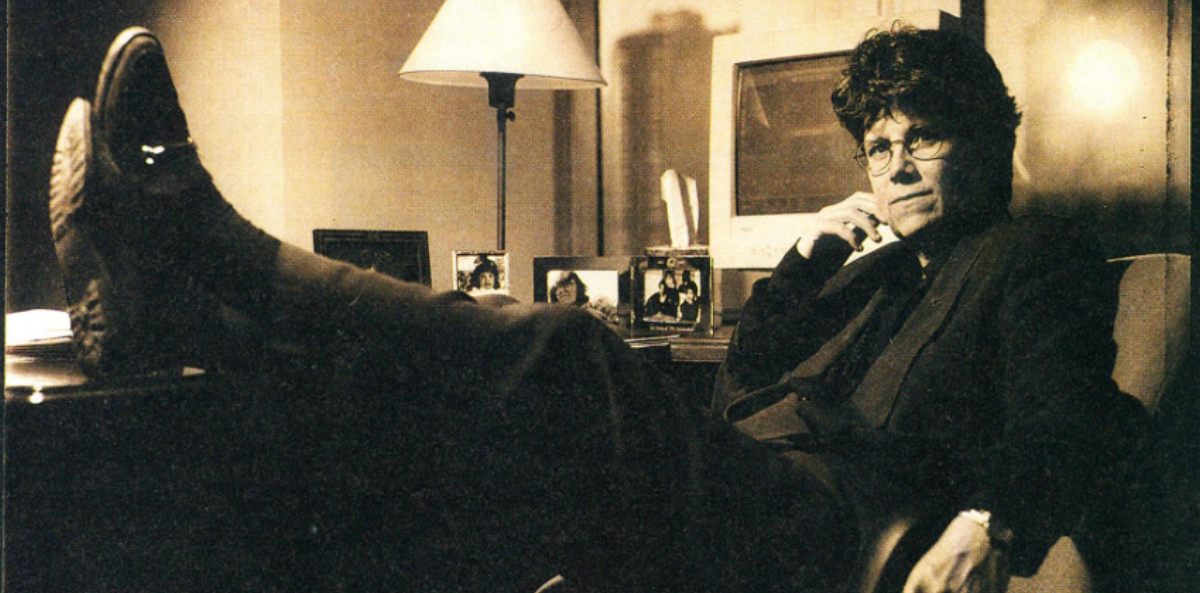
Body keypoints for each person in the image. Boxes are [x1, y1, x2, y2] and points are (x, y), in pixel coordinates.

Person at [43, 25, 1143, 593]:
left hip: (839, 519)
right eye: (882, 144)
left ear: (987, 142)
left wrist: (991, 519)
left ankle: (210, 251)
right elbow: (742, 379)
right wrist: (806, 261)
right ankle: (190, 319)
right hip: (738, 479)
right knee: (394, 453)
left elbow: (1076, 413)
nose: (898, 167)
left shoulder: (1031, 254)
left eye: (925, 137)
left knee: (575, 348)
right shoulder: (857, 265)